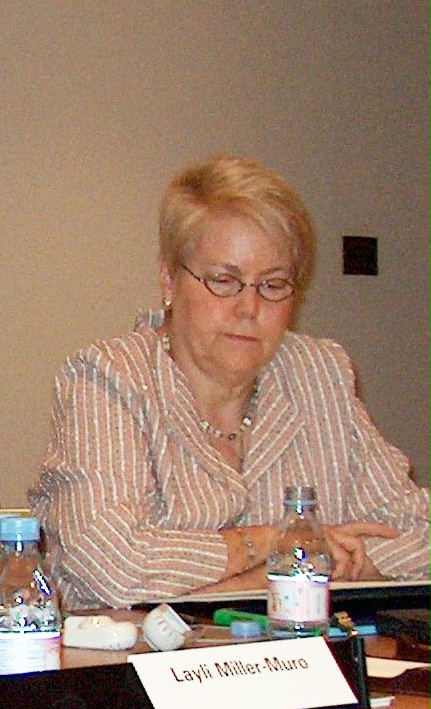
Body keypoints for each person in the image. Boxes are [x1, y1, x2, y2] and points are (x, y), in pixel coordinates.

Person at [30, 155, 431, 610]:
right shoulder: (108, 377)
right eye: (225, 280)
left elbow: (418, 532)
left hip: (301, 666)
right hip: (142, 670)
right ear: (168, 279)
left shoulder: (320, 374)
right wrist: (271, 546)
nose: (249, 308)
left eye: (273, 285)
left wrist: (302, 569)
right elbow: (109, 566)